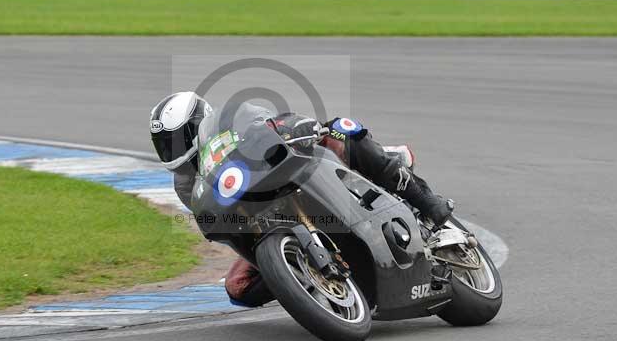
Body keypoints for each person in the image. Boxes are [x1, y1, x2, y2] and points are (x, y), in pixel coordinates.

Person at [149, 91, 454, 307]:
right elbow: (220, 221)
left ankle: (425, 200)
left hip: (297, 171)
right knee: (237, 288)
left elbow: (273, 123)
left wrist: (300, 127)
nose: (172, 149)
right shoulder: (186, 183)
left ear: (200, 121)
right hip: (265, 221)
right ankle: (312, 284)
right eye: (165, 143)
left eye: (176, 138)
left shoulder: (232, 121)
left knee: (339, 131)